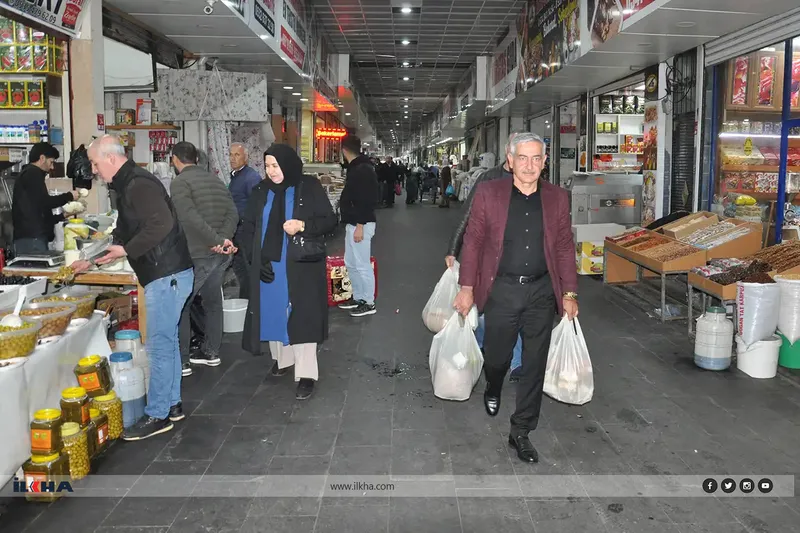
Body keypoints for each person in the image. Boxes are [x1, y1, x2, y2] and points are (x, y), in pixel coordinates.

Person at [454, 132, 579, 464]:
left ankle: (521, 430)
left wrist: (569, 292)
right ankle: (493, 384)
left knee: (534, 364)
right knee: (497, 357)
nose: (529, 165)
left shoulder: (557, 198)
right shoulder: (489, 193)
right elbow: (473, 241)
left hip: (541, 292)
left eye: (536, 158)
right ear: (510, 161)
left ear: (544, 162)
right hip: (501, 290)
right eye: (522, 158)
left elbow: (564, 247)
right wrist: (466, 287)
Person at [73, 135, 194, 441]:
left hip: (167, 274)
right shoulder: (126, 184)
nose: (94, 170)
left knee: (159, 346)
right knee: (166, 343)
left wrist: (126, 250)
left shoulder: (138, 184)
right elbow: (127, 229)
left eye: (95, 163)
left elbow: (161, 224)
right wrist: (96, 258)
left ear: (111, 158)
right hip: (167, 273)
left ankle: (158, 415)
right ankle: (171, 404)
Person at [239, 144, 337, 400]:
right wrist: (254, 259)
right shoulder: (261, 191)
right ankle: (283, 359)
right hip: (270, 264)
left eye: (276, 165)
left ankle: (306, 373)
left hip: (301, 264)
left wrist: (303, 225)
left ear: (288, 164)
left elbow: (330, 221)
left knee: (303, 315)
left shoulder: (308, 186)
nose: (271, 171)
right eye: (267, 166)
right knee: (274, 311)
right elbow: (248, 227)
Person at [446, 133, 524, 380]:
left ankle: (517, 362)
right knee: (484, 309)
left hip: (518, 258)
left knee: (516, 309)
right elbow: (467, 215)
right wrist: (453, 249)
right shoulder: (488, 178)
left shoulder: (531, 180)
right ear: (508, 152)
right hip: (488, 257)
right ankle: (480, 346)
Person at [169, 142, 239, 376]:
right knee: (212, 302)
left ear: (175, 159)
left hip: (197, 253)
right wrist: (223, 240)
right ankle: (211, 352)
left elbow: (189, 217)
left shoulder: (180, 183)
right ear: (197, 159)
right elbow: (233, 213)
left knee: (182, 305)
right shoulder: (216, 180)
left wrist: (216, 240)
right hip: (219, 254)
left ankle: (183, 361)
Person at [337, 135, 378, 317]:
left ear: (344, 150)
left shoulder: (362, 170)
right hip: (353, 222)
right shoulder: (358, 168)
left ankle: (369, 302)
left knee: (362, 264)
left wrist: (360, 225)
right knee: (351, 263)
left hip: (361, 223)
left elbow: (366, 200)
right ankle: (359, 296)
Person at [12, 142, 79, 255]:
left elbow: (40, 210)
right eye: (51, 162)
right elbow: (45, 202)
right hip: (32, 240)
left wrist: (63, 215)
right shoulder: (32, 174)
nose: (52, 167)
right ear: (42, 158)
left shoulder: (29, 174)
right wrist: (69, 196)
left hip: (32, 238)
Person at [229, 143, 262, 299]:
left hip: (246, 232)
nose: (232, 158)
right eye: (231, 154)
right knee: (241, 271)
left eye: (237, 155)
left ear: (246, 158)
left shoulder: (251, 178)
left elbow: (258, 206)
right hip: (236, 231)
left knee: (249, 271)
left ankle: (252, 303)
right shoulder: (235, 176)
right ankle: (245, 301)